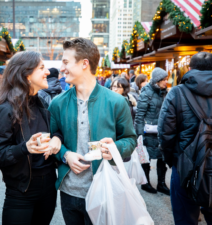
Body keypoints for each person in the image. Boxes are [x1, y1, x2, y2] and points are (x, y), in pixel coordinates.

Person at [48, 38, 137, 224]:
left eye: (66, 62)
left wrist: (114, 148)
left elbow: (130, 140)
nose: (62, 68)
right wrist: (65, 155)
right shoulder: (57, 103)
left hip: (104, 189)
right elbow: (53, 139)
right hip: (69, 191)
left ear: (84, 64)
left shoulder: (117, 102)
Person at [0, 51, 63, 225]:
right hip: (21, 190)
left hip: (48, 186)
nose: (47, 72)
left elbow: (56, 131)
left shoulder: (42, 104)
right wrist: (25, 148)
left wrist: (57, 139)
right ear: (26, 74)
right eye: (42, 68)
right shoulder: (5, 109)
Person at [158, 52, 212, 225]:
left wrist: (172, 161)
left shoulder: (176, 93)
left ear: (189, 69)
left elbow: (165, 133)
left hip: (184, 166)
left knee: (185, 219)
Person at [134, 67, 169, 195]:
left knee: (162, 159)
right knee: (146, 159)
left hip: (162, 132)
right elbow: (139, 115)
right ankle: (145, 183)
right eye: (164, 80)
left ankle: (161, 184)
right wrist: (138, 135)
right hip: (148, 133)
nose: (166, 82)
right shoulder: (146, 93)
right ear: (157, 80)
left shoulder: (165, 92)